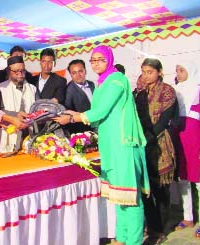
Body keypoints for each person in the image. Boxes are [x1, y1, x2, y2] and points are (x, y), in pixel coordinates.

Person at [55, 45, 149, 245]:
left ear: (109, 60)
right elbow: (96, 115)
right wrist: (71, 114)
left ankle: (134, 241)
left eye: (101, 59)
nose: (96, 63)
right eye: (93, 60)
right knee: (119, 195)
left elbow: (99, 112)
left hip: (123, 144)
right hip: (110, 144)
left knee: (130, 197)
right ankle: (122, 238)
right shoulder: (102, 83)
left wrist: (73, 118)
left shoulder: (117, 80)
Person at [136, 58, 178, 244]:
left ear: (160, 72)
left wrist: (148, 138)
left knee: (161, 190)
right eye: (144, 71)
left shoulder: (168, 91)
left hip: (159, 144)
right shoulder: (139, 92)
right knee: (145, 190)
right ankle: (151, 225)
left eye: (150, 72)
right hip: (141, 144)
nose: (146, 75)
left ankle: (161, 229)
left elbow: (165, 120)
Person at [174, 61, 200, 239]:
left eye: (182, 70)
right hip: (179, 140)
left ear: (191, 71)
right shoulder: (176, 89)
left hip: (196, 140)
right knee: (183, 180)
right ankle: (188, 217)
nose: (179, 73)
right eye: (177, 70)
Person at [0, 56, 37, 153]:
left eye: (23, 71)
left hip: (26, 138)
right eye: (16, 71)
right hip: (5, 136)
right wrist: (15, 115)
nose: (20, 74)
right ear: (8, 72)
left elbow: (37, 109)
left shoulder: (33, 89)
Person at [63, 59, 95, 134]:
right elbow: (68, 112)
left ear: (85, 71)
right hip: (82, 131)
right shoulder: (69, 90)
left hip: (96, 124)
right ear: (70, 74)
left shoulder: (91, 84)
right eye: (74, 73)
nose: (78, 75)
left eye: (80, 71)